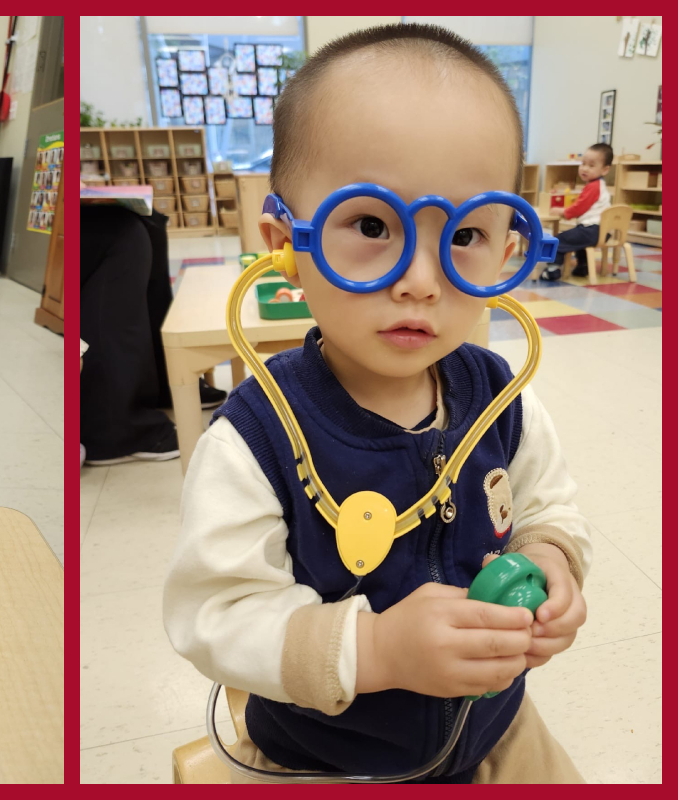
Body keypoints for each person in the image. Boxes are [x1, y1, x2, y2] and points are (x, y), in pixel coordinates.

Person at [163, 24, 592, 783]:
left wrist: (550, 558)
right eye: (372, 225)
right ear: (286, 244)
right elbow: (213, 618)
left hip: (494, 727)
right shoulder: (255, 438)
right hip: (325, 758)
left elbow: (548, 506)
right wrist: (378, 651)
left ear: (507, 244)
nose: (422, 280)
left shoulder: (502, 400)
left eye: (463, 233)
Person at [539, 143, 613, 281]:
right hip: (602, 230)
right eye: (583, 163)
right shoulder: (598, 185)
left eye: (591, 166)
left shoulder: (593, 187)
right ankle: (582, 267)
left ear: (605, 170)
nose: (584, 168)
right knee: (579, 241)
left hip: (593, 230)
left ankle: (552, 269)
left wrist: (562, 212)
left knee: (559, 239)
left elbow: (579, 208)